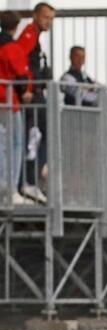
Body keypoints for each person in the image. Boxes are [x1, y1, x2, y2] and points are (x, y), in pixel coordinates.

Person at [15, 1, 53, 204]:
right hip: (32, 97)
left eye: (51, 19)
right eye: (46, 17)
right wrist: (28, 89)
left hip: (36, 93)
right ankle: (28, 180)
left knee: (37, 136)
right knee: (36, 137)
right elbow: (20, 61)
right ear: (36, 16)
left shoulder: (35, 38)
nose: (49, 22)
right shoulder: (29, 35)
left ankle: (29, 180)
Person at [0, 11, 31, 204]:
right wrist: (25, 92)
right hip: (8, 101)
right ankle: (10, 190)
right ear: (16, 26)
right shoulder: (11, 47)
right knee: (15, 143)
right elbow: (21, 75)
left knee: (1, 144)